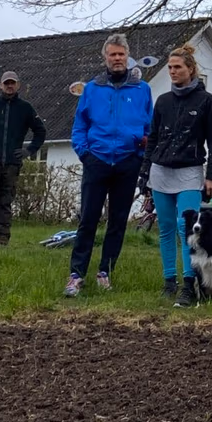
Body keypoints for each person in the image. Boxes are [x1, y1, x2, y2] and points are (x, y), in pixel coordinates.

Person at [62, 34, 152, 297]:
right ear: (105, 58)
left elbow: (150, 127)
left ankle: (105, 272)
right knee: (88, 219)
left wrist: (141, 154)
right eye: (112, 54)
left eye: (121, 54)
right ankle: (76, 274)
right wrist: (85, 154)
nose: (117, 58)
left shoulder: (142, 89)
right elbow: (79, 126)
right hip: (97, 160)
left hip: (127, 161)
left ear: (128, 56)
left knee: (118, 221)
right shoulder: (92, 89)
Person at [139, 44, 212, 307]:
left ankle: (189, 284)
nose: (173, 72)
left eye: (178, 67)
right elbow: (152, 139)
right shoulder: (163, 101)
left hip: (190, 172)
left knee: (185, 227)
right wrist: (144, 173)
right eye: (170, 68)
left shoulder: (206, 101)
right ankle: (169, 282)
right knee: (165, 228)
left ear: (191, 69)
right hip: (160, 172)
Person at [0, 71, 46, 246]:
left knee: (6, 202)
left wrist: (29, 150)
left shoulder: (25, 108)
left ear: (18, 85)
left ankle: (2, 238)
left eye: (12, 83)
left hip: (12, 164)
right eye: (6, 83)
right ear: (0, 85)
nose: (9, 86)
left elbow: (40, 131)